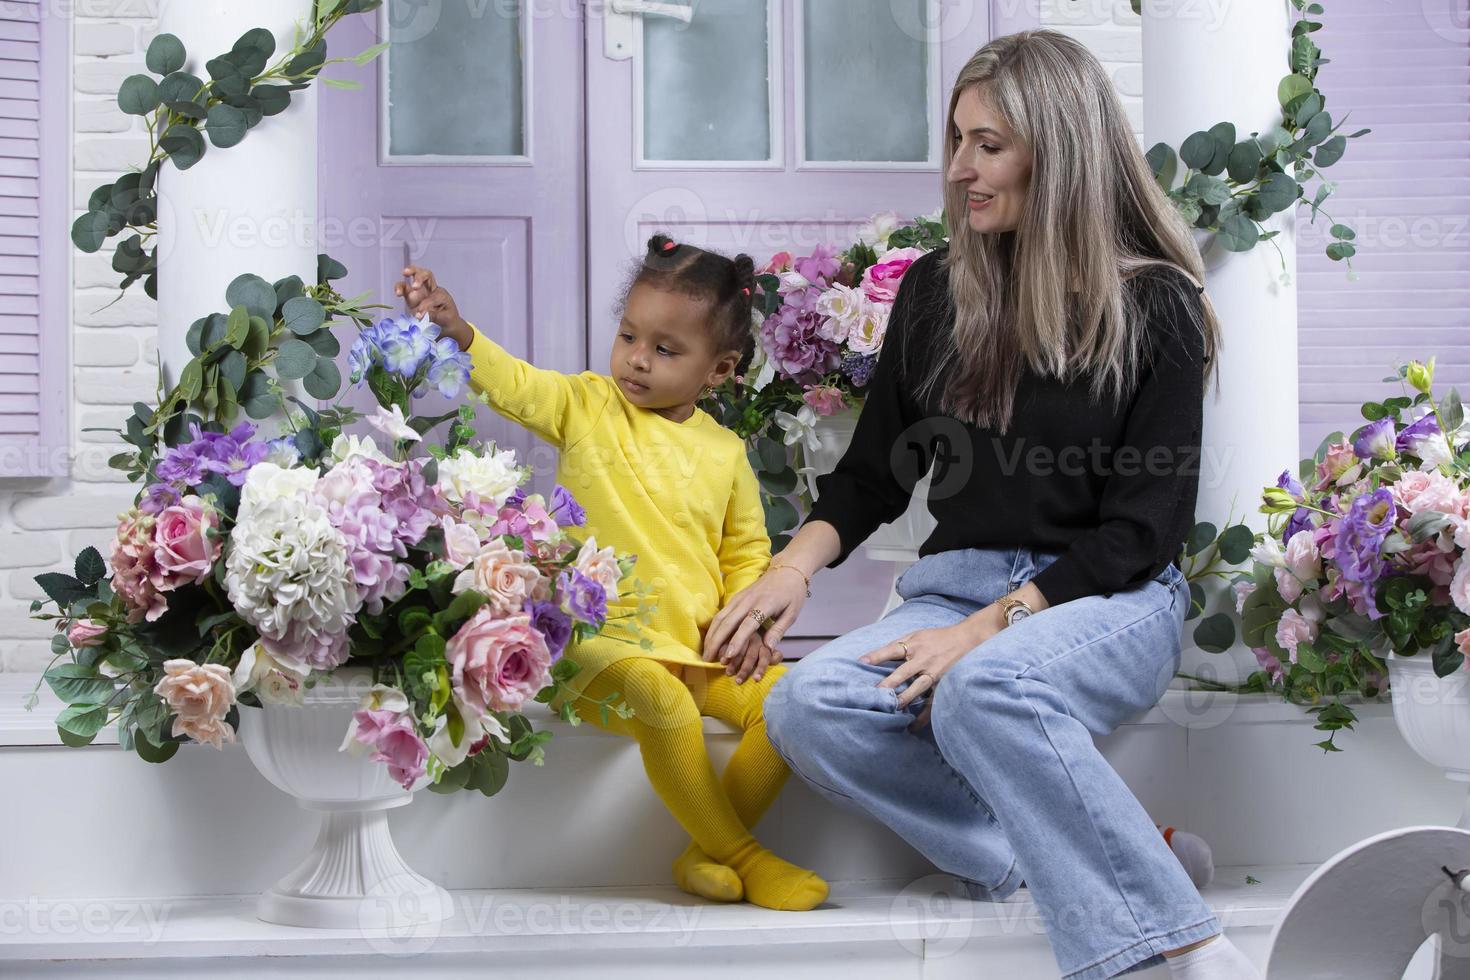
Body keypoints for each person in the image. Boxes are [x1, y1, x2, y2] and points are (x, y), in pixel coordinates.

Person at [703, 30, 1258, 980]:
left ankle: (1191, 950)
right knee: (808, 704)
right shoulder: (932, 293)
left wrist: (993, 629)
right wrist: (792, 568)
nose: (960, 168)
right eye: (956, 140)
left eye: (987, 144)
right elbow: (875, 474)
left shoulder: (1156, 305)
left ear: (1061, 148)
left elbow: (1143, 530)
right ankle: (1047, 866)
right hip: (955, 589)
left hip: (1108, 600)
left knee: (986, 684)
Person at [394, 239, 826, 912]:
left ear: (720, 369)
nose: (636, 358)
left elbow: (746, 552)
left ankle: (705, 850)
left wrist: (751, 623)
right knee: (660, 699)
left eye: (665, 349)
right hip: (597, 651)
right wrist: (459, 331)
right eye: (628, 335)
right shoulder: (589, 407)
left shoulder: (725, 451)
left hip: (697, 650)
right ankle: (745, 857)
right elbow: (515, 383)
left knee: (792, 705)